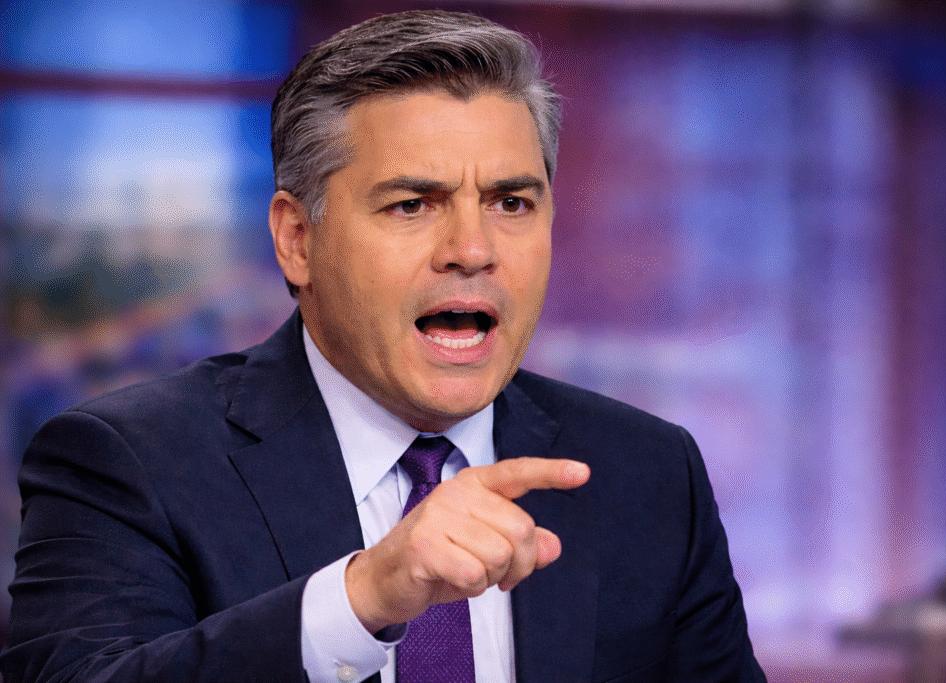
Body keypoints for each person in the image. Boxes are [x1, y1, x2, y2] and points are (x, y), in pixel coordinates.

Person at [0, 10, 766, 683]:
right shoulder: (127, 462)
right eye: (411, 204)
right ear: (297, 239)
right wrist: (362, 598)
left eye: (510, 202)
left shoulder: (649, 472)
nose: (473, 249)